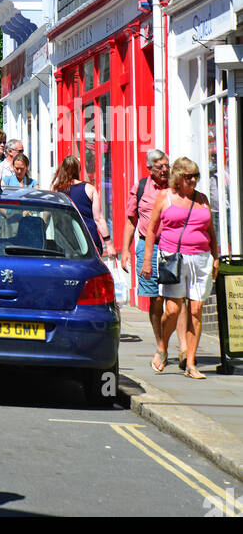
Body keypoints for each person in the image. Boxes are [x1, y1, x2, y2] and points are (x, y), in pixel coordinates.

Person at [141, 156, 219, 378]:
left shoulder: (202, 199)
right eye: (188, 177)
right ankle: (162, 347)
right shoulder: (165, 197)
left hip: (200, 259)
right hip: (173, 259)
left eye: (196, 176)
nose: (193, 180)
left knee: (196, 310)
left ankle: (191, 364)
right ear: (178, 177)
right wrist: (147, 260)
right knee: (173, 310)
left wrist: (215, 257)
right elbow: (151, 230)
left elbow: (211, 232)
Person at [120, 150, 186, 368]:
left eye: (167, 165)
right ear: (150, 169)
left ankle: (184, 347)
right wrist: (125, 251)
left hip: (173, 248)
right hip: (147, 247)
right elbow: (131, 220)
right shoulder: (140, 188)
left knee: (177, 298)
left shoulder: (175, 187)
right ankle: (161, 345)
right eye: (160, 167)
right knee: (155, 299)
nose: (165, 170)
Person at [50, 156, 116, 260]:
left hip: (64, 243)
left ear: (63, 169)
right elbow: (98, 219)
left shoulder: (55, 190)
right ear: (78, 169)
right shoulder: (89, 188)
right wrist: (109, 244)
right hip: (89, 242)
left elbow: (49, 216)